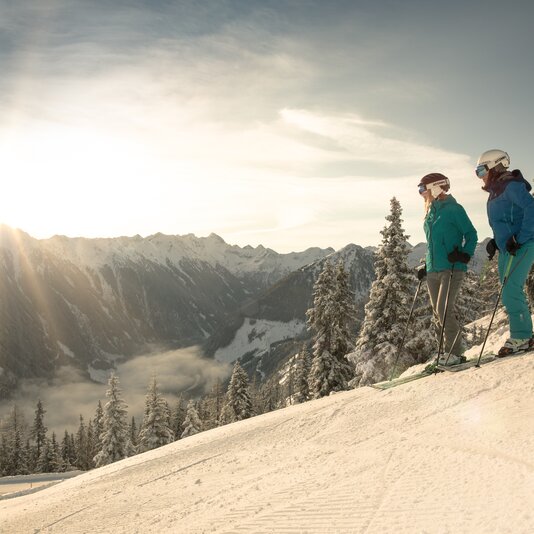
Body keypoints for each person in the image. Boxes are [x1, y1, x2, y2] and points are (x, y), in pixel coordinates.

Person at [475, 149, 534, 355]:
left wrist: (521, 237)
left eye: (481, 170)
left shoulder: (512, 186)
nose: (480, 175)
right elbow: (504, 222)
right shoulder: (495, 192)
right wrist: (496, 241)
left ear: (495, 166)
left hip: (523, 244)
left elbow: (531, 209)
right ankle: (523, 335)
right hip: (508, 247)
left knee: (511, 290)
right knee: (508, 290)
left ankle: (522, 337)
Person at [417, 173, 478, 364]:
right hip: (433, 269)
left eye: (422, 189)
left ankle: (456, 353)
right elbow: (432, 244)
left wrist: (464, 254)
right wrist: (425, 264)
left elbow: (471, 234)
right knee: (437, 311)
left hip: (452, 267)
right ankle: (445, 352)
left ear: (436, 187)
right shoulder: (431, 211)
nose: (421, 194)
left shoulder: (454, 209)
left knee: (443, 309)